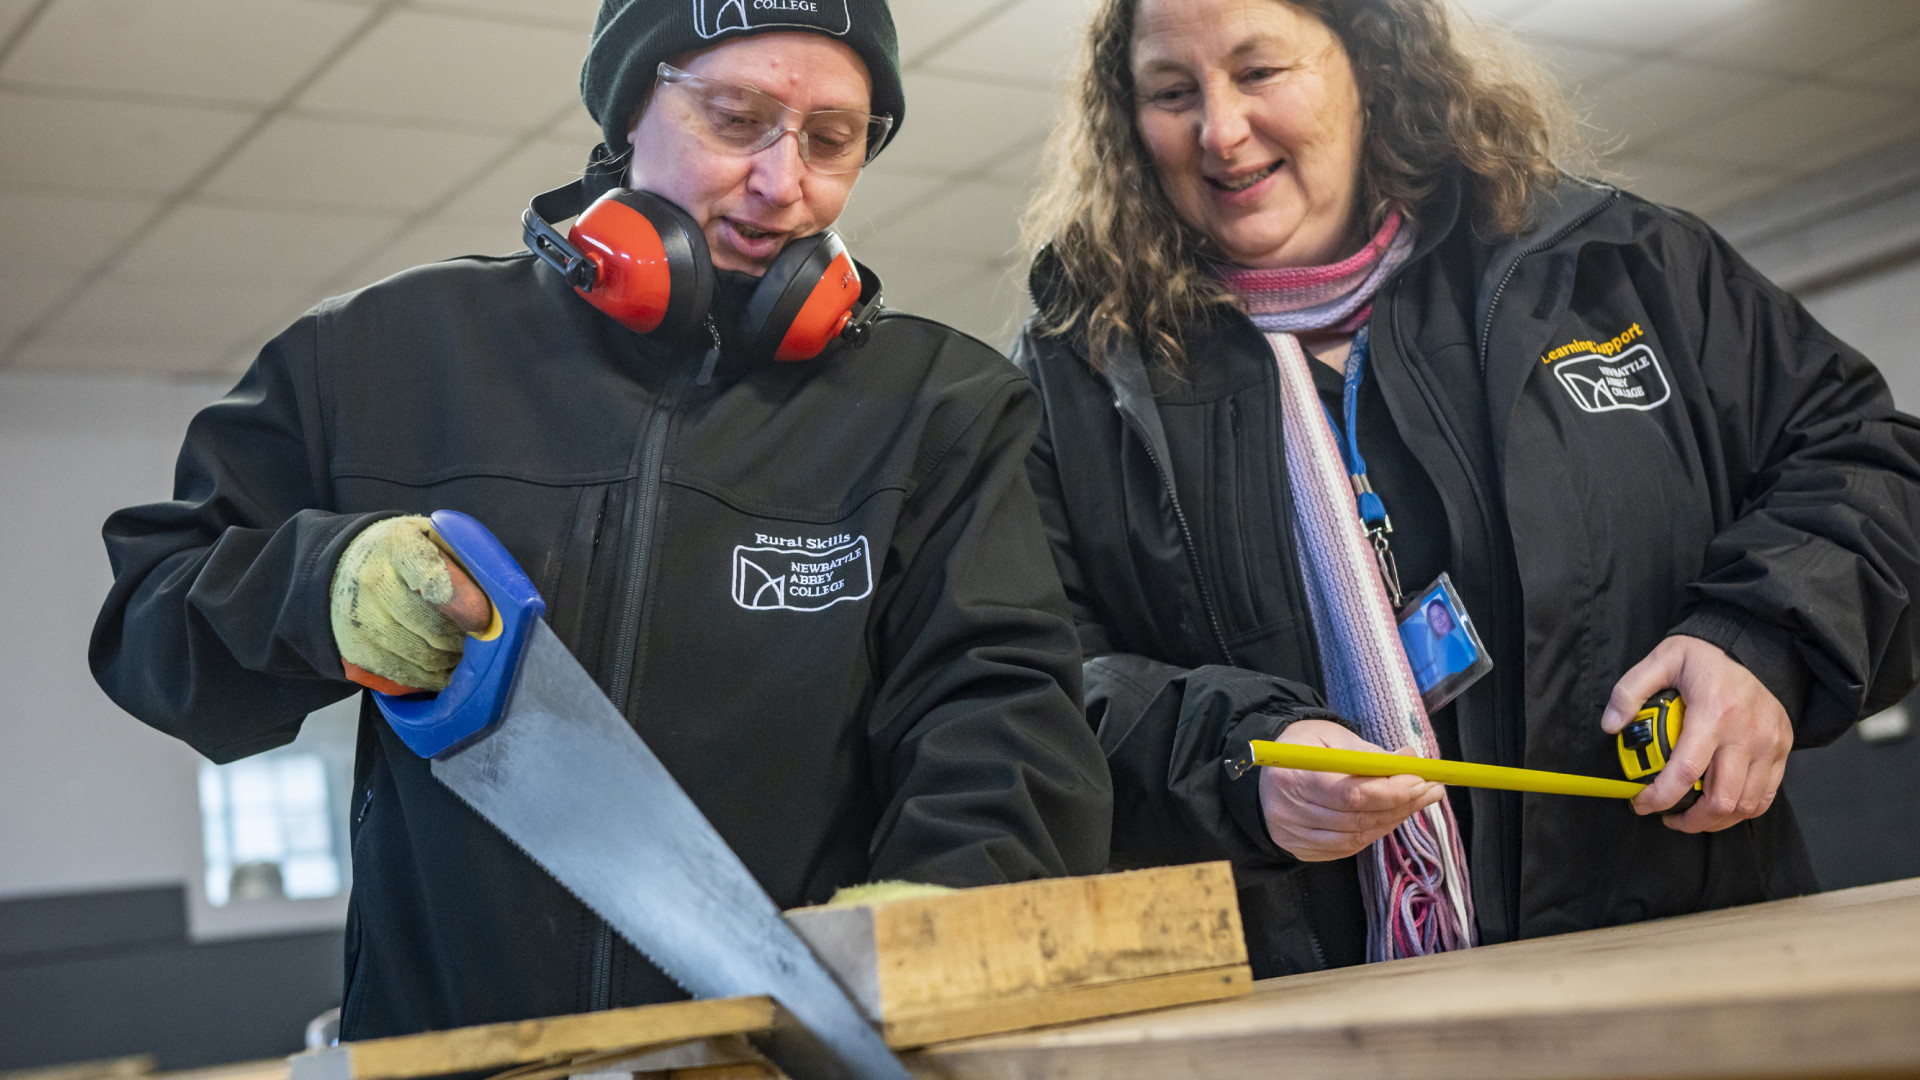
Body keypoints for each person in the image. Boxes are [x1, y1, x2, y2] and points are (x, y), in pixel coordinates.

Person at [89, 0, 1111, 1038]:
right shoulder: (386, 354)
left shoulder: (939, 408)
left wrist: (950, 906)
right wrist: (326, 589)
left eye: (831, 139)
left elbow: (1001, 708)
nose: (783, 181)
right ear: (629, 108)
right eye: (736, 117)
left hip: (774, 1054)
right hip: (453, 1056)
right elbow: (151, 628)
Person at [1015, 0, 1920, 975]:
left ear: (1365, 62)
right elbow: (1035, 682)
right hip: (1311, 1026)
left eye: (1259, 70)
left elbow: (1874, 466)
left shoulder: (1613, 268)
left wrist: (1763, 643)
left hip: (1689, 976)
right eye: (1171, 92)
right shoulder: (1076, 382)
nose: (1221, 130)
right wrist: (1237, 761)